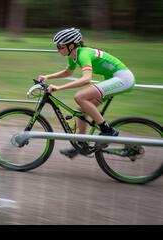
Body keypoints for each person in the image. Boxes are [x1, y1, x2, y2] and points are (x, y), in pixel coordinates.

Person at [38, 28, 135, 158]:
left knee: (79, 97)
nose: (58, 49)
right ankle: (82, 144)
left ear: (71, 45)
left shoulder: (83, 53)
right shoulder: (73, 56)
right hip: (113, 79)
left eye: (60, 46)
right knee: (81, 110)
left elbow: (86, 79)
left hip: (123, 79)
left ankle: (108, 130)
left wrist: (59, 88)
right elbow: (68, 72)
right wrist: (48, 76)